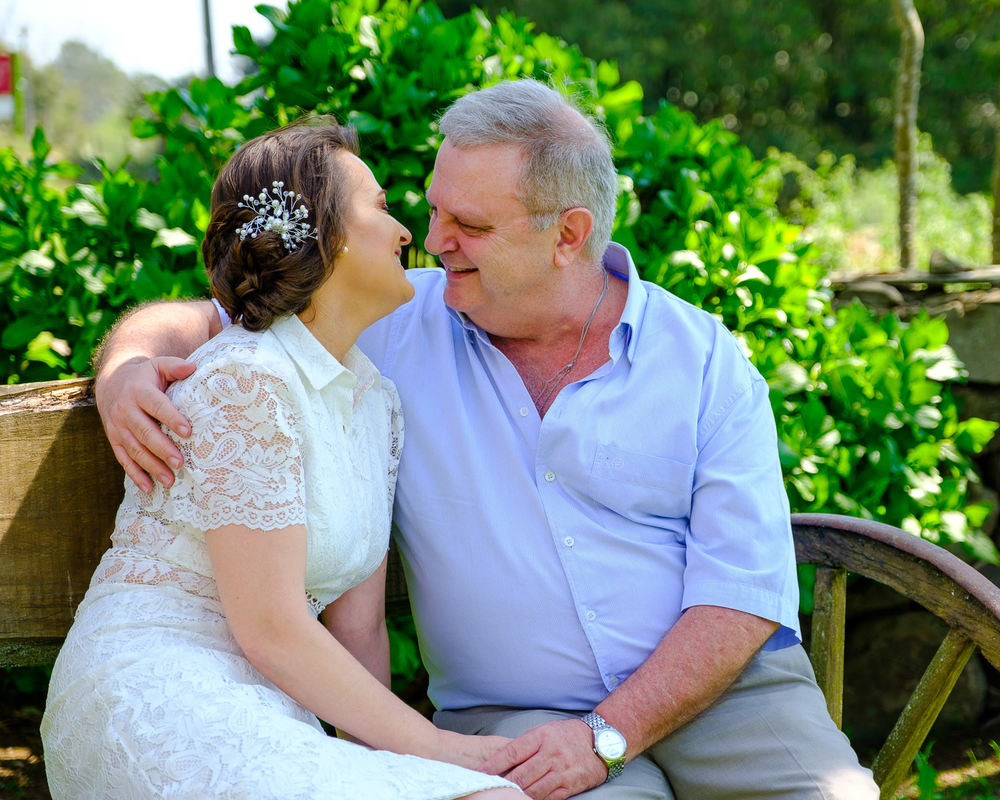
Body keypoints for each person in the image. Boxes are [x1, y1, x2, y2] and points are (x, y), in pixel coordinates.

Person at [93, 81, 879, 800]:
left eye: (469, 225)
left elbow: (738, 593)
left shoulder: (704, 360)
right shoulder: (388, 321)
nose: (434, 241)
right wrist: (125, 367)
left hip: (726, 699)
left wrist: (607, 735)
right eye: (432, 210)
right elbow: (218, 319)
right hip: (512, 718)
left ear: (568, 235)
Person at [41, 119, 525, 800]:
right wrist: (443, 750)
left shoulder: (374, 403)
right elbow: (270, 626)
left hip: (267, 705)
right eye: (382, 208)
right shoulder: (245, 380)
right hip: (155, 692)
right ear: (330, 237)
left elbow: (357, 635)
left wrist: (414, 772)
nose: (406, 232)